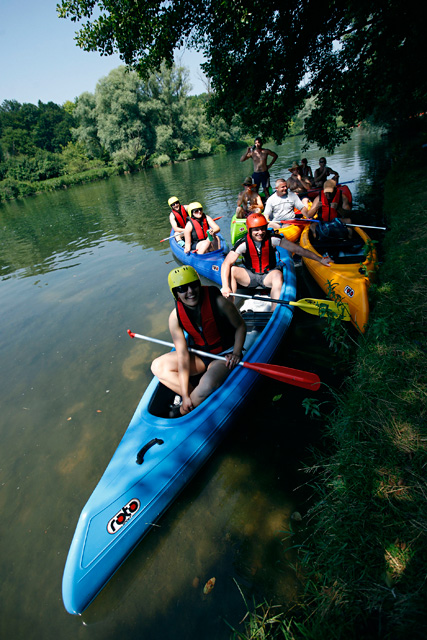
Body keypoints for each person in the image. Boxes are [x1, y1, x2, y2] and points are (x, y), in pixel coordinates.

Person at [151, 266, 246, 417]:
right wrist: (185, 395)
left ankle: (183, 412)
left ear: (199, 284)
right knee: (157, 366)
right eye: (182, 288)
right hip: (200, 356)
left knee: (207, 384)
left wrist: (235, 353)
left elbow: (240, 326)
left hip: (224, 356)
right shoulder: (175, 317)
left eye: (193, 285)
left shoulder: (219, 301)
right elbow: (182, 355)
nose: (190, 291)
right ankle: (193, 396)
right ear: (175, 293)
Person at [221, 213, 333, 307]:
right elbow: (226, 263)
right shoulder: (242, 243)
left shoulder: (273, 239)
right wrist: (225, 286)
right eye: (256, 230)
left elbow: (298, 250)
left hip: (268, 276)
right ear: (250, 230)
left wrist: (320, 259)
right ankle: (230, 308)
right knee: (232, 270)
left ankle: (274, 311)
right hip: (250, 276)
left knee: (277, 274)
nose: (260, 232)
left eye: (262, 228)